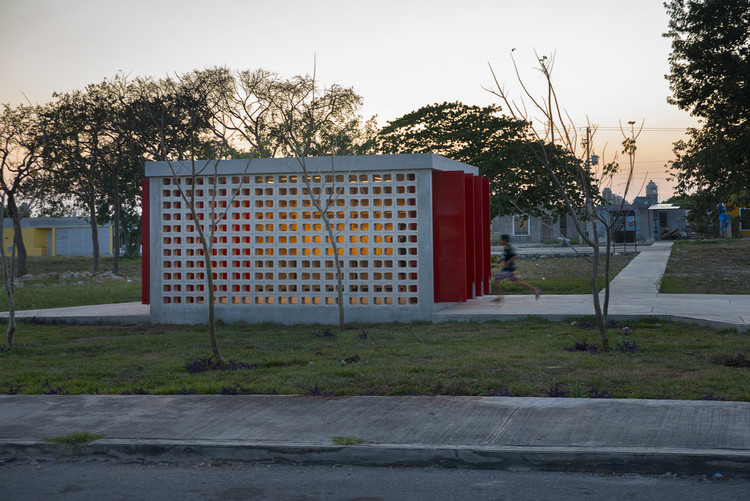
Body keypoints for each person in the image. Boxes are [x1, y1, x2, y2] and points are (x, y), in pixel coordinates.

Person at [493, 234, 540, 302]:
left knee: (496, 281)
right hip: (510, 269)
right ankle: (535, 289)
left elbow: (514, 256)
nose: (500, 241)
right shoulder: (506, 247)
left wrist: (507, 263)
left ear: (504, 240)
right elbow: (507, 256)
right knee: (518, 283)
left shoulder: (508, 247)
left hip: (507, 270)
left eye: (501, 240)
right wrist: (502, 260)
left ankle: (500, 297)